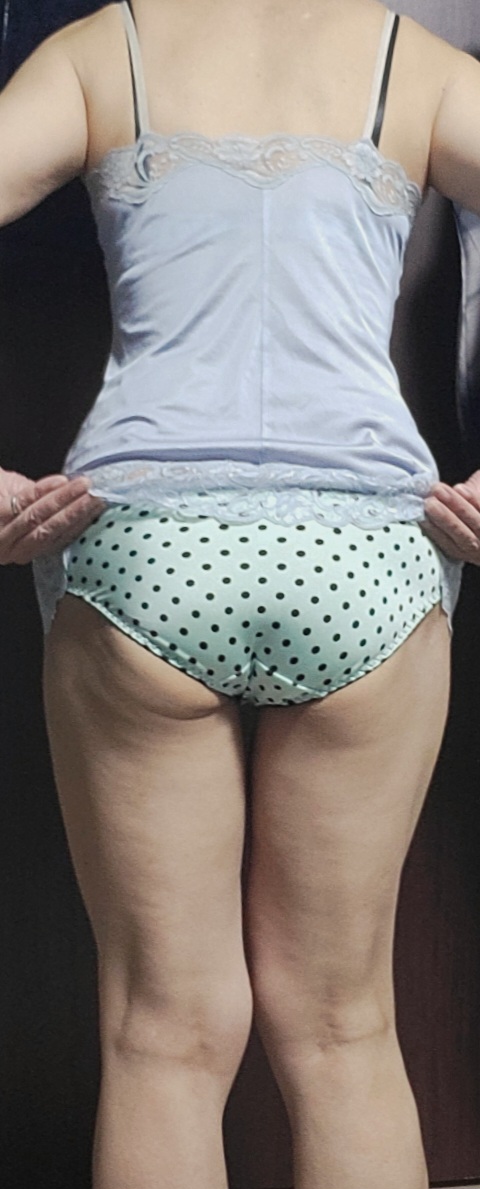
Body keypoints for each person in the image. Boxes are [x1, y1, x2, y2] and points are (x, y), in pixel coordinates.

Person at [1, 1, 480, 1186]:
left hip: (144, 551)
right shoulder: (417, 66)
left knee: (162, 1037)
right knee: (346, 1032)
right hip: (365, 559)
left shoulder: (100, 49)